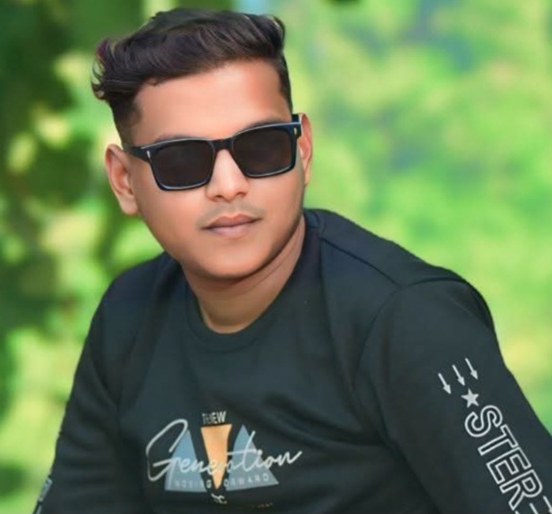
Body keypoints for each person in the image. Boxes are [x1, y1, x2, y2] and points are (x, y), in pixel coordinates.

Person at [32, 7, 552, 514]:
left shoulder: (405, 321)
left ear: (302, 152)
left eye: (260, 148)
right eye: (183, 160)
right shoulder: (129, 316)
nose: (229, 185)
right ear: (125, 181)